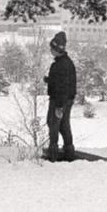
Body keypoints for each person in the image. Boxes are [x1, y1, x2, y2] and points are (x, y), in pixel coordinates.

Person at [45, 31, 76, 162]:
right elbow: (62, 82)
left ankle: (53, 152)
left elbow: (62, 86)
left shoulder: (59, 65)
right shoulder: (67, 63)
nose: (50, 51)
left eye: (52, 48)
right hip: (67, 99)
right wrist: (49, 80)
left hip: (59, 100)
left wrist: (58, 106)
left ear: (57, 49)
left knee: (53, 123)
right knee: (64, 124)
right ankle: (69, 151)